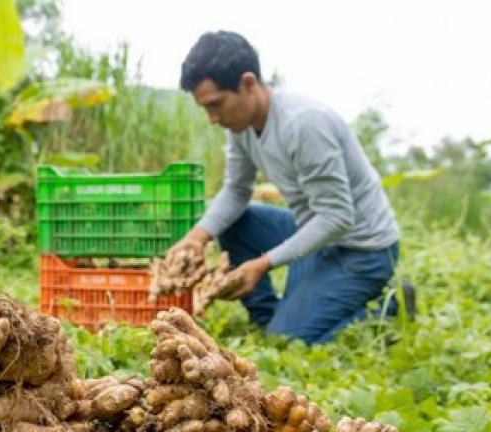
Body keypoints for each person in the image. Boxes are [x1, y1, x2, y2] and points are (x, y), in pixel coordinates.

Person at [170, 30, 403, 344]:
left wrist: (263, 264)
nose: (213, 118)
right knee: (235, 222)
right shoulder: (240, 125)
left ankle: (386, 311)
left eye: (217, 105)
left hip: (361, 249)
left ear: (248, 84)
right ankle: (271, 319)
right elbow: (237, 189)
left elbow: (337, 217)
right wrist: (197, 237)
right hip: (316, 232)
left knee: (287, 341)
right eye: (206, 109)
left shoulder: (305, 124)